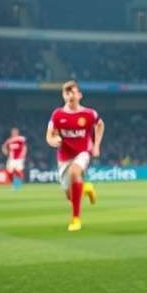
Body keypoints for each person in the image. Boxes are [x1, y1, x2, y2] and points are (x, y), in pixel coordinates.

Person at [45, 80, 105, 231]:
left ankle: (76, 219)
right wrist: (54, 140)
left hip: (82, 152)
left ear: (80, 95)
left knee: (74, 172)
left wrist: (96, 144)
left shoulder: (89, 114)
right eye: (67, 92)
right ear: (63, 96)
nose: (70, 95)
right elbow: (49, 136)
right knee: (70, 196)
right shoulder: (57, 115)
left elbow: (100, 125)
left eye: (73, 92)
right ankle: (86, 188)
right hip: (64, 157)